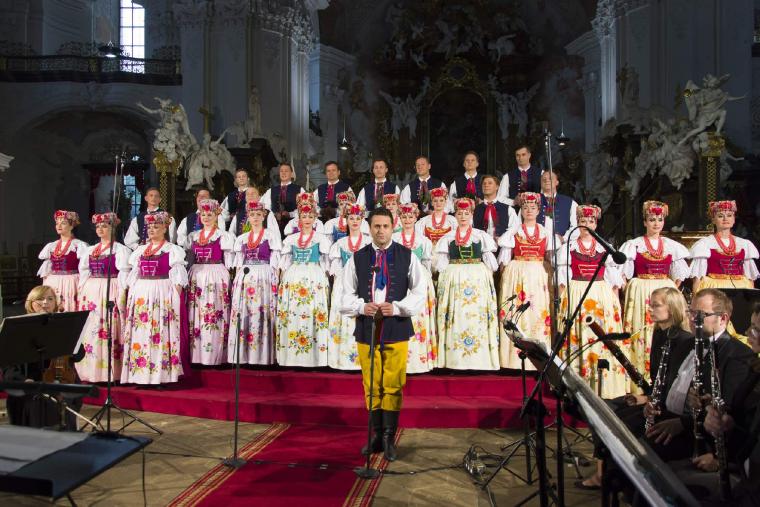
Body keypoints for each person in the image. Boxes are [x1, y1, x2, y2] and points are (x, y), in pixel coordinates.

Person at [577, 286, 694, 489]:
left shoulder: (684, 340)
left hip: (667, 408)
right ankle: (606, 471)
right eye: (650, 304)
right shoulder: (660, 333)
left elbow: (675, 385)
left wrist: (647, 399)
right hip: (654, 399)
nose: (650, 309)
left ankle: (611, 475)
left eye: (656, 305)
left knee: (618, 421)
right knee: (605, 409)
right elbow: (658, 379)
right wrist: (644, 396)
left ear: (672, 308)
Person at [340, 207, 426, 461]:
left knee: (393, 383)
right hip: (367, 328)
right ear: (369, 228)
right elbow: (345, 294)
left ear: (392, 227)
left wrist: (398, 307)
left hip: (396, 326)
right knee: (371, 383)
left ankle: (389, 437)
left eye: (385, 226)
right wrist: (360, 307)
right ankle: (376, 435)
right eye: (376, 226)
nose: (381, 231)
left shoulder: (407, 256)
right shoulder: (357, 258)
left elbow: (420, 292)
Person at [653, 288, 758, 467]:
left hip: (697, 435)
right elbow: (668, 386)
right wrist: (652, 403)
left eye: (700, 315)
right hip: (666, 416)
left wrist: (687, 421)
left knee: (644, 453)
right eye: (691, 312)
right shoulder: (685, 343)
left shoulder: (739, 355)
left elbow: (733, 412)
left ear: (723, 318)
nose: (692, 319)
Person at [619, 201, 691, 391]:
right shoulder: (634, 245)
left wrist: (670, 289)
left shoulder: (671, 246)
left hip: (664, 289)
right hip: (642, 292)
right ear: (645, 222)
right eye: (652, 219)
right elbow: (623, 274)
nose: (656, 223)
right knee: (642, 331)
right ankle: (638, 379)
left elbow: (679, 275)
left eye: (659, 219)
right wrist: (632, 290)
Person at [557, 204, 627, 398]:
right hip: (577, 291)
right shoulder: (569, 248)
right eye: (583, 221)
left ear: (596, 224)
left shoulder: (605, 248)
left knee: (601, 333)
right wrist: (564, 302)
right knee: (577, 334)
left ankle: (604, 384)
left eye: (590, 221)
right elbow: (562, 281)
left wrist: (615, 303)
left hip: (600, 294)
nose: (586, 225)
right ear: (577, 223)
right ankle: (576, 383)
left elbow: (614, 281)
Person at [3, 286, 84, 429]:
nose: (45, 302)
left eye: (50, 299)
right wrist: (23, 380)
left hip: (59, 379)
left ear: (55, 303)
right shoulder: (19, 328)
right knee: (33, 403)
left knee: (66, 398)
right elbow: (7, 365)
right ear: (31, 303)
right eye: (40, 299)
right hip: (30, 382)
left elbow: (78, 355)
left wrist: (69, 334)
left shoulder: (64, 325)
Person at [121, 212, 188, 385]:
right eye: (149, 227)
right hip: (142, 295)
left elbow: (178, 280)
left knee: (160, 333)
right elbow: (134, 276)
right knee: (142, 333)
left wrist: (173, 300)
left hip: (161, 293)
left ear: (165, 228)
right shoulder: (140, 251)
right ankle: (140, 375)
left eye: (156, 226)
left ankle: (161, 375)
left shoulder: (172, 250)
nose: (151, 230)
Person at [435, 198, 500, 370]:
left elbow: (491, 263)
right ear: (455, 215)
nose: (463, 216)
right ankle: (454, 360)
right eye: (459, 213)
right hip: (455, 278)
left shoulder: (480, 236)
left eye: (466, 213)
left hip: (476, 279)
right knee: (457, 315)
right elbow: (441, 264)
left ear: (471, 215)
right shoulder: (448, 237)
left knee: (476, 316)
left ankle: (479, 361)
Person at [497, 192, 558, 369]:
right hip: (517, 273)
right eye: (525, 208)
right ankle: (512, 360)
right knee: (516, 311)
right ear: (521, 211)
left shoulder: (545, 232)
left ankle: (538, 359)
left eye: (532, 208)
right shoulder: (515, 231)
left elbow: (551, 257)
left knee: (536, 312)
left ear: (538, 211)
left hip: (537, 274)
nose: (529, 211)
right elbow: (504, 255)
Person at [75, 212, 131, 382]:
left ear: (113, 228)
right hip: (91, 291)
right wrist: (82, 289)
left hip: (110, 287)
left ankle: (112, 372)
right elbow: (84, 271)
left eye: (104, 226)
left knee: (108, 326)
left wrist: (121, 292)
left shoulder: (120, 250)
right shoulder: (90, 250)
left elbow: (123, 273)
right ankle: (90, 371)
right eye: (98, 226)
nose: (100, 229)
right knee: (92, 328)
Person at [276, 201, 331, 367]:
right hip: (294, 276)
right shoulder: (291, 239)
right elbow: (284, 263)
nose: (307, 219)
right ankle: (292, 357)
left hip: (313, 275)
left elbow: (326, 263)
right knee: (294, 311)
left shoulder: (320, 238)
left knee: (312, 311)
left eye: (310, 216)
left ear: (315, 219)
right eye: (304, 216)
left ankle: (314, 358)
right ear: (299, 219)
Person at [227, 201, 281, 365]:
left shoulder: (270, 236)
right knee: (245, 312)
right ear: (248, 217)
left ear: (263, 216)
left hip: (264, 276)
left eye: (258, 214)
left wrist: (275, 280)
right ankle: (244, 356)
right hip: (246, 277)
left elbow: (276, 263)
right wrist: (237, 282)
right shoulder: (242, 239)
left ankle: (262, 356)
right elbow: (238, 263)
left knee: (261, 312)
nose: (255, 217)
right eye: (252, 215)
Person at [187, 199, 234, 366]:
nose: (206, 218)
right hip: (197, 275)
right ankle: (197, 356)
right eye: (204, 215)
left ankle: (216, 356)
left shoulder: (223, 236)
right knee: (197, 314)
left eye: (210, 215)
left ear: (216, 216)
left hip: (216, 275)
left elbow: (229, 261)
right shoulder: (193, 236)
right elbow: (190, 259)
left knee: (214, 313)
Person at [393, 203, 437, 373]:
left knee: (418, 318)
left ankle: (419, 360)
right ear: (399, 218)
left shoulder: (423, 241)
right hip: (398, 280)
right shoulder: (393, 239)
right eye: (404, 217)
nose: (407, 220)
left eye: (410, 217)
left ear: (416, 217)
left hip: (418, 280)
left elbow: (426, 264)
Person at [327, 203, 371, 370]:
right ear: (346, 220)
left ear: (362, 220)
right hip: (344, 284)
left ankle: (364, 358)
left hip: (364, 281)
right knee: (344, 316)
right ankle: (343, 359)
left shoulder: (368, 242)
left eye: (357, 218)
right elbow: (336, 268)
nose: (354, 221)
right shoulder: (340, 243)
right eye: (351, 218)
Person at [690, 200, 759, 292]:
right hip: (715, 289)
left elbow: (750, 278)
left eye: (729, 215)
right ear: (713, 220)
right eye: (720, 216)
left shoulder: (744, 244)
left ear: (734, 219)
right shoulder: (705, 244)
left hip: (740, 289)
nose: (725, 219)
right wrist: (696, 297)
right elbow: (698, 278)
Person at [37, 210, 88, 312]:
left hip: (70, 282)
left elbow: (84, 268)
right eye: (57, 223)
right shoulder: (52, 246)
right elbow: (47, 269)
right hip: (53, 281)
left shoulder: (79, 245)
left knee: (68, 308)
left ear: (71, 226)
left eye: (63, 223)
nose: (59, 226)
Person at [260, 163, 306, 235]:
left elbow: (304, 208)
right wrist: (274, 214)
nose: (283, 173)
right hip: (274, 226)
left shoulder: (299, 189)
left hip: (294, 225)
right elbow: (265, 207)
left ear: (291, 173)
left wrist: (290, 214)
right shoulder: (271, 191)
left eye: (286, 171)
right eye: (281, 171)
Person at [473, 175, 518, 241]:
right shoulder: (475, 210)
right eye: (484, 183)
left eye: (490, 183)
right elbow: (470, 228)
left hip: (502, 245)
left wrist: (502, 239)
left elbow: (514, 227)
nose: (486, 185)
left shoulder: (508, 209)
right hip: (481, 244)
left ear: (497, 187)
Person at [534, 170, 578, 237]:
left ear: (557, 182)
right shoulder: (532, 200)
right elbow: (521, 223)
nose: (547, 180)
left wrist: (564, 238)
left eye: (550, 178)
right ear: (540, 183)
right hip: (537, 242)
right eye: (544, 179)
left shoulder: (570, 203)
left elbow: (576, 227)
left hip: (561, 242)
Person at [416, 186, 457, 252]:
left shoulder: (452, 221)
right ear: (432, 203)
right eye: (435, 201)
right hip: (429, 254)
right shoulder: (423, 222)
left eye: (441, 200)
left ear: (445, 202)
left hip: (446, 255)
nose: (438, 203)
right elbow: (419, 241)